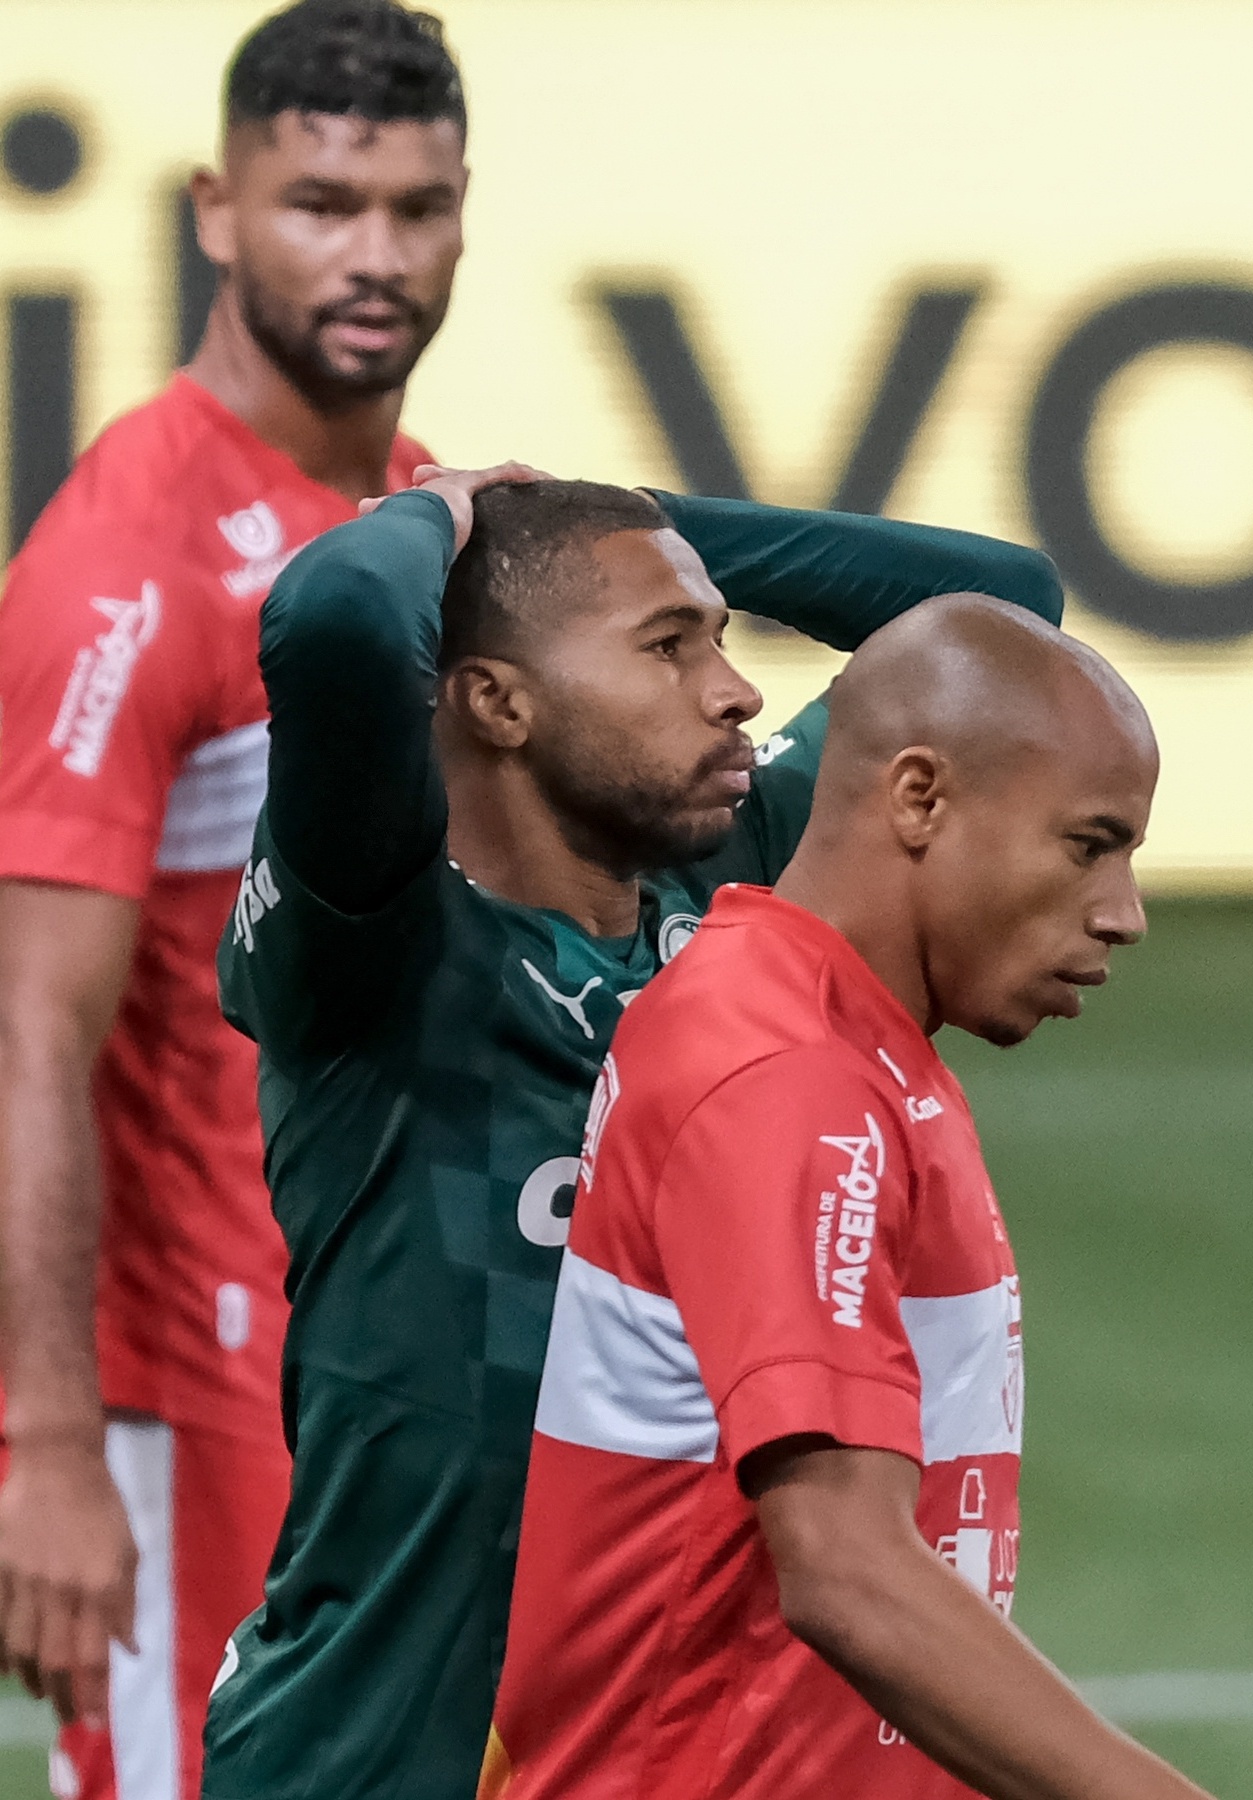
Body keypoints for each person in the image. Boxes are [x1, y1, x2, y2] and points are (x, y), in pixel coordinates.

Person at [200, 464, 1064, 1800]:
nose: (734, 689)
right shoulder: (376, 940)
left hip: (623, 1744)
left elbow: (996, 612)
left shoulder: (727, 872)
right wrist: (453, 512)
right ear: (497, 701)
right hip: (377, 1737)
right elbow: (339, 622)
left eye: (716, 641)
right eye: (668, 648)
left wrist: (626, 522)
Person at [487, 594, 1216, 1800]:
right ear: (919, 798)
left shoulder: (837, 1035)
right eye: (1089, 845)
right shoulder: (789, 1075)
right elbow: (842, 1564)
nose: (1121, 912)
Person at [0, 5, 464, 1796]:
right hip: (184, 1386)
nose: (373, 257)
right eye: (321, 203)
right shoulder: (125, 565)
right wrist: (45, 1446)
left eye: (415, 210)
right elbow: (28, 1031)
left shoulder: (423, 510)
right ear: (216, 209)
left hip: (371, 1355)